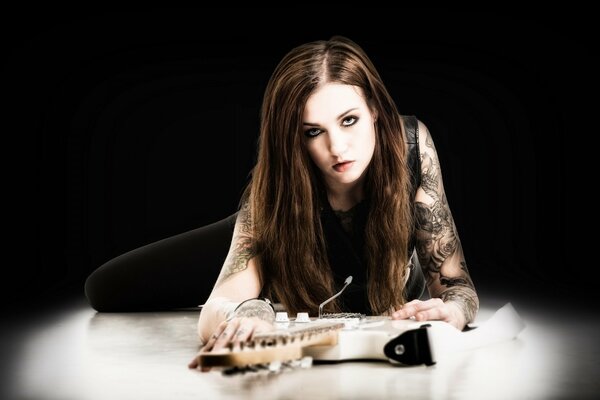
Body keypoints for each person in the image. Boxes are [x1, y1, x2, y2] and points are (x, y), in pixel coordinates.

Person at [83, 36, 478, 368]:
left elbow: (457, 285)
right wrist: (251, 313)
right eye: (312, 131)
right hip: (281, 238)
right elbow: (219, 305)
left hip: (370, 286)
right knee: (106, 289)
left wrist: (454, 311)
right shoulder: (277, 185)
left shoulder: (411, 145)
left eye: (349, 120)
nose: (337, 148)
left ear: (374, 109)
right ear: (295, 137)